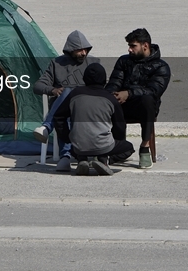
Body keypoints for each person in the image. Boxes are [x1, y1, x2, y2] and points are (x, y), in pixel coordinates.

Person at [32, 30, 99, 171]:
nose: (83, 53)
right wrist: (53, 90)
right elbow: (38, 86)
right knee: (65, 107)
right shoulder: (56, 64)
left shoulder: (93, 63)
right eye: (79, 50)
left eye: (85, 49)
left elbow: (101, 85)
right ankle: (66, 156)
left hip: (85, 105)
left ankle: (47, 128)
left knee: (70, 93)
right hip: (63, 109)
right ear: (70, 50)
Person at [105, 28, 170, 169]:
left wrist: (128, 93)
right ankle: (119, 147)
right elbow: (114, 83)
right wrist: (113, 95)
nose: (129, 49)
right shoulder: (124, 61)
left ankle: (145, 147)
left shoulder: (161, 67)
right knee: (108, 100)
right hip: (122, 104)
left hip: (145, 108)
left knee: (147, 100)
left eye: (133, 46)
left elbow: (154, 91)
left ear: (145, 46)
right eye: (129, 46)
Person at [52, 64, 133, 176]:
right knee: (129, 148)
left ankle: (82, 160)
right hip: (104, 145)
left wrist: (66, 137)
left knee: (80, 144)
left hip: (77, 146)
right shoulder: (110, 98)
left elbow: (58, 117)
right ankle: (104, 161)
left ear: (84, 78)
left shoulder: (75, 94)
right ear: (104, 80)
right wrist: (115, 140)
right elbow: (120, 126)